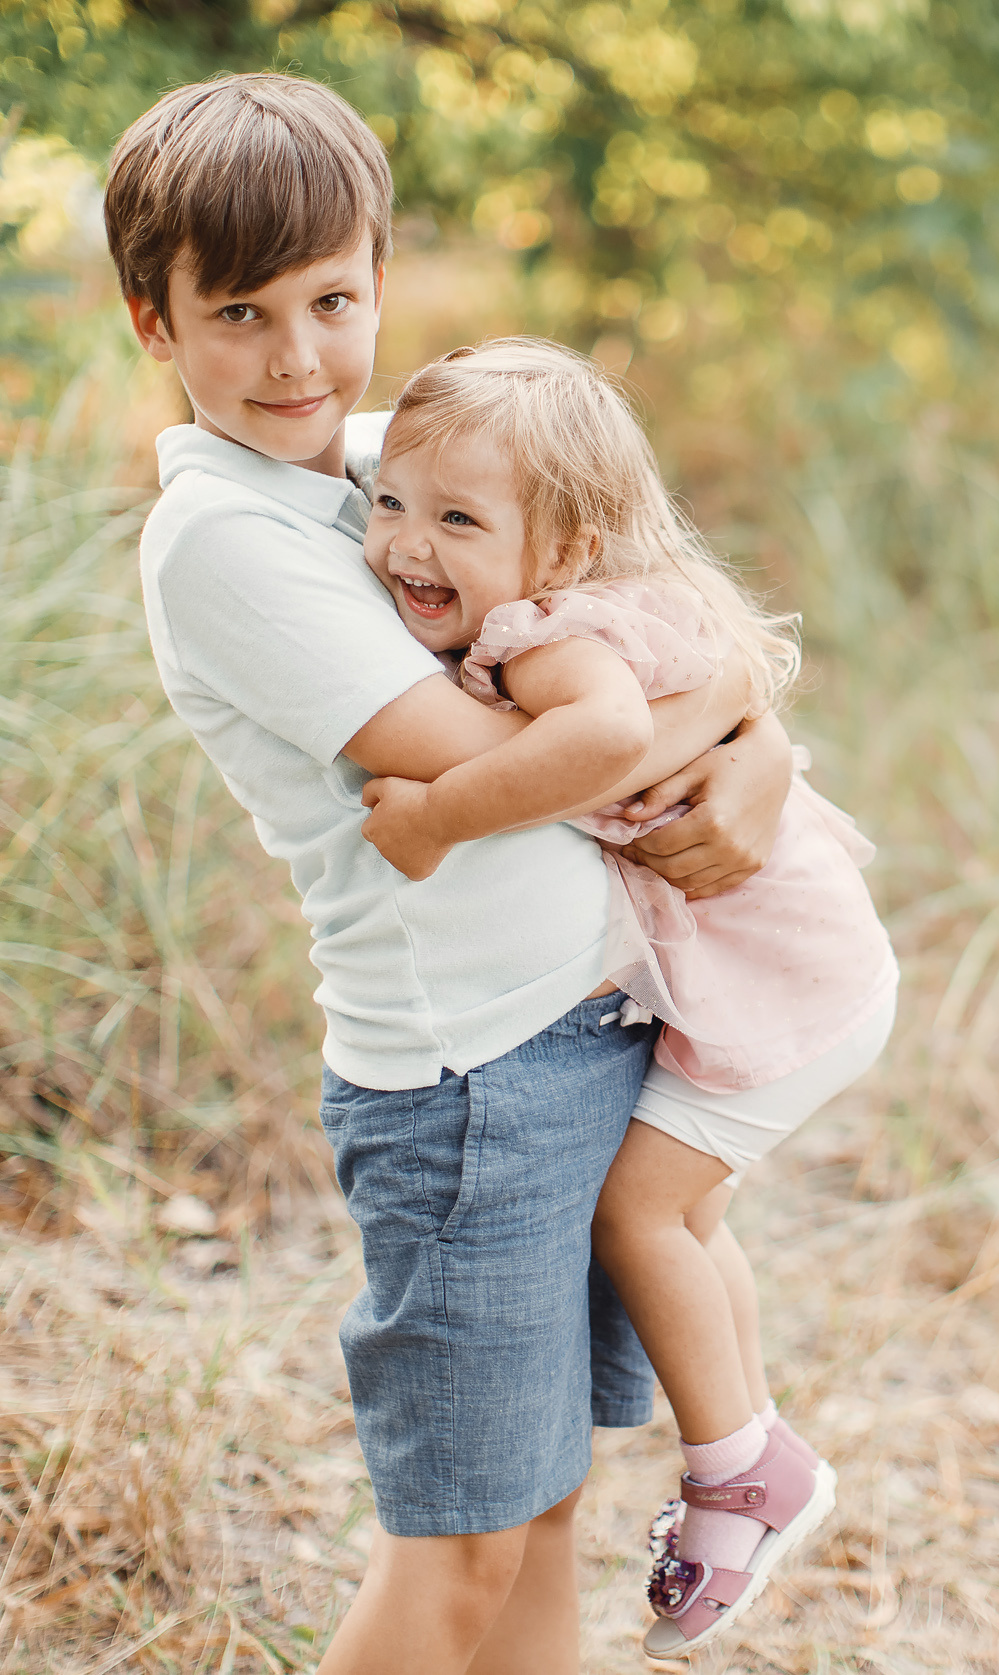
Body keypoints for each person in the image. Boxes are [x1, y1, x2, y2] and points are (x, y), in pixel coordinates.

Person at [105, 75, 796, 1675]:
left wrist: (751, 725)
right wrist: (721, 723)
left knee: (541, 1505)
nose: (295, 358)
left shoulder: (374, 460)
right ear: (155, 320)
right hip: (464, 1079)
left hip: (577, 1038)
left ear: (382, 279)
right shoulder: (223, 536)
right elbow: (507, 755)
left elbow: (652, 601)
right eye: (239, 314)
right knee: (464, 1542)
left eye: (333, 301)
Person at [347, 338, 899, 1658]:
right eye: (390, 506)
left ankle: (741, 1469)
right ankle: (751, 1436)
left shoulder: (551, 635)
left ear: (566, 546)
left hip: (782, 977)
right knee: (691, 1210)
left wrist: (434, 815)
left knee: (637, 1210)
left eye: (458, 522)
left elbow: (594, 742)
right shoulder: (611, 585)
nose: (406, 545)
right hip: (817, 967)